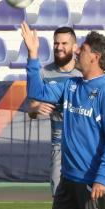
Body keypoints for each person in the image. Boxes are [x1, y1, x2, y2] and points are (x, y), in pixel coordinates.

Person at [21, 22, 105, 209]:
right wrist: (32, 54)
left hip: (90, 180)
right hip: (67, 178)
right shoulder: (71, 86)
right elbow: (36, 90)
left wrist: (103, 178)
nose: (76, 51)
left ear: (95, 57)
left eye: (82, 49)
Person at [27, 27, 81, 196]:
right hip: (58, 146)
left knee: (86, 206)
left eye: (64, 43)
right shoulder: (44, 73)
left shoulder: (84, 72)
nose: (59, 47)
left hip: (83, 145)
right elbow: (31, 109)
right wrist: (36, 108)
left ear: (74, 47)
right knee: (59, 200)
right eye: (56, 43)